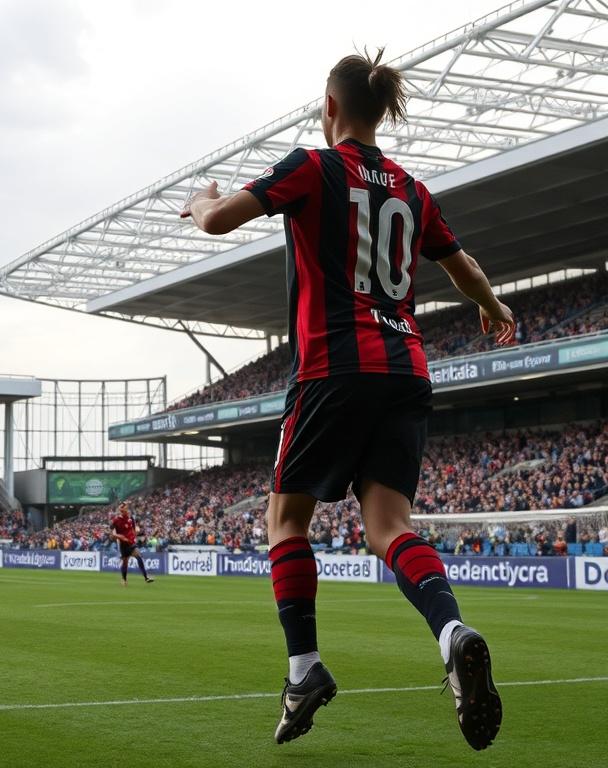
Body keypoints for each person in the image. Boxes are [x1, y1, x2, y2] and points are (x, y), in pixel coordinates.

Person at [182, 49, 513, 750]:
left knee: (285, 522)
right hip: (406, 370)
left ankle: (304, 669)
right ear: (380, 109)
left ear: (329, 106)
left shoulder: (312, 166)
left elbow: (217, 223)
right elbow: (463, 267)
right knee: (389, 528)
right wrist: (494, 306)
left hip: (332, 367)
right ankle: (451, 632)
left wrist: (203, 201)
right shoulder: (413, 190)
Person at [109, 501, 153, 586]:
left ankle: (146, 577)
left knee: (138, 556)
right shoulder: (116, 520)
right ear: (122, 510)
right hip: (123, 544)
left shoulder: (131, 518)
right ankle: (124, 579)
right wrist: (121, 537)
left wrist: (136, 533)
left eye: (126, 507)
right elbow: (113, 533)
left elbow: (133, 531)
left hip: (131, 543)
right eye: (125, 508)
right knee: (125, 562)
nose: (127, 509)